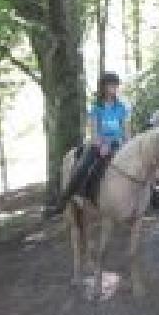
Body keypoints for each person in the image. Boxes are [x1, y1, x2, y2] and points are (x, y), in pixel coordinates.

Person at [45, 72, 129, 217]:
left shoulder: (121, 107)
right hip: (99, 145)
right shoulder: (97, 107)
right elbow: (94, 130)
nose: (114, 88)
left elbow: (125, 129)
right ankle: (63, 201)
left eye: (116, 85)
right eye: (111, 85)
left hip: (117, 144)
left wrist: (127, 143)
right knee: (83, 167)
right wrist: (101, 145)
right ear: (103, 87)